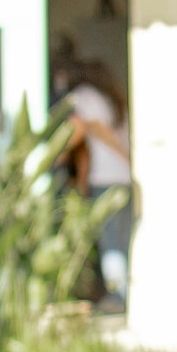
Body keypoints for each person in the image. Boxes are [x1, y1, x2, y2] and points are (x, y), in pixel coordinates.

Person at [54, 51, 133, 302]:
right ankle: (122, 295)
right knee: (121, 241)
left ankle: (117, 298)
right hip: (124, 178)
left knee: (109, 243)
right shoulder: (113, 99)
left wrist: (55, 155)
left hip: (105, 179)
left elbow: (81, 132)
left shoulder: (84, 97)